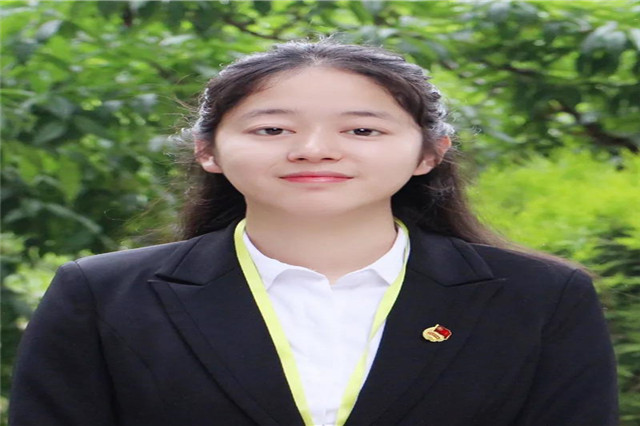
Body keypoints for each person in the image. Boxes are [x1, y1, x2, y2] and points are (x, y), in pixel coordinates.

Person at [9, 40, 617, 426]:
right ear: (207, 151)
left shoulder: (540, 296)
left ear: (430, 153)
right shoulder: (102, 294)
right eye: (272, 129)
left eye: (362, 130)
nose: (314, 150)